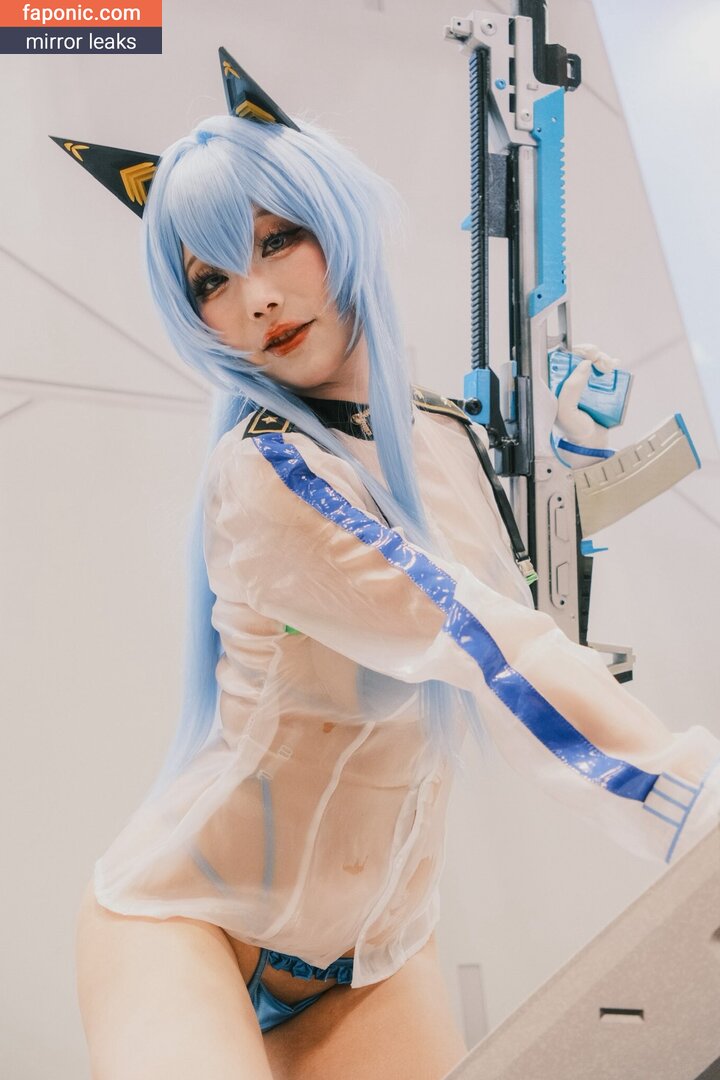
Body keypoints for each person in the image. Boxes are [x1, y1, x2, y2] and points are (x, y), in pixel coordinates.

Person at [65, 56, 720, 1080]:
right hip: (186, 924)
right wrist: (688, 798)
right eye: (211, 282)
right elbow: (478, 634)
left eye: (278, 238)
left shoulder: (439, 436)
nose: (259, 297)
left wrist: (567, 457)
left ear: (339, 224)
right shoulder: (268, 475)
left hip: (372, 954)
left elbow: (525, 620)